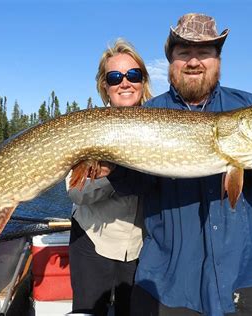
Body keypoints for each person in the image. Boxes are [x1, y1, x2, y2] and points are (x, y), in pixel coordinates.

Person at [99, 13, 252, 315]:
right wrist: (113, 169)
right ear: (171, 61)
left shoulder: (249, 105)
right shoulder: (145, 114)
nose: (194, 61)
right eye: (184, 53)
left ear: (217, 60)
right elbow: (137, 184)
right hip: (168, 281)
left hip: (243, 275)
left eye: (205, 52)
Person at [66, 39, 152, 316]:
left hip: (141, 247)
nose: (124, 83)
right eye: (115, 77)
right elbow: (76, 193)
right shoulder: (87, 127)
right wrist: (110, 176)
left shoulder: (159, 123)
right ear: (105, 86)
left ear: (143, 81)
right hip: (92, 241)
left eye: (133, 75)